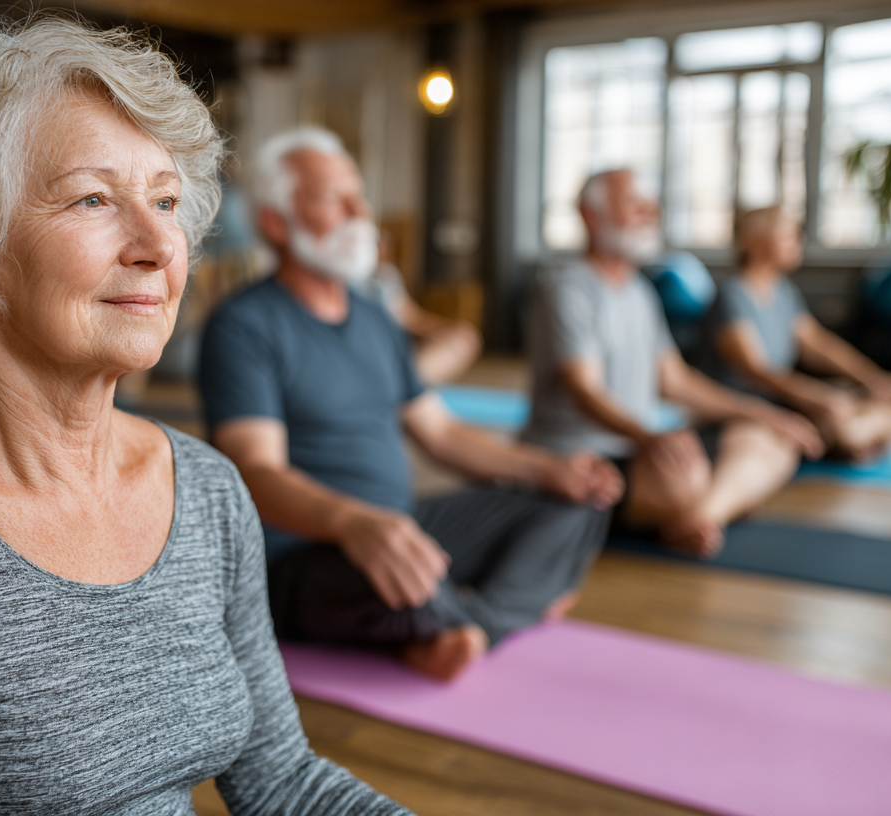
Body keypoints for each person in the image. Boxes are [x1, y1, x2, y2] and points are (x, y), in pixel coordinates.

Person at [0, 19, 408, 816]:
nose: (156, 245)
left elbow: (281, 782)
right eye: (94, 198)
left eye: (165, 200)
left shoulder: (205, 490)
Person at [199, 127, 622, 682]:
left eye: (359, 196)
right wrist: (353, 522)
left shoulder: (376, 317)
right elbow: (255, 471)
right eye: (334, 198)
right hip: (303, 550)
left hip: (400, 524)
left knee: (577, 502)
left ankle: (466, 623)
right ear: (277, 223)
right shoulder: (243, 325)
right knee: (397, 575)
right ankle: (485, 608)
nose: (359, 212)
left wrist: (549, 469)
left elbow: (441, 434)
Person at [520, 170, 824, 558]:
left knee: (774, 438)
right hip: (580, 456)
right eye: (636, 206)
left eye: (653, 207)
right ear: (591, 216)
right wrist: (650, 438)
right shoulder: (567, 288)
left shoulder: (640, 293)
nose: (650, 215)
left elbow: (676, 381)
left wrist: (762, 412)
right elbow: (585, 391)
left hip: (640, 447)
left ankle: (701, 516)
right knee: (688, 477)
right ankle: (722, 500)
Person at [701, 207, 891, 459]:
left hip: (782, 400)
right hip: (745, 409)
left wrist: (876, 380)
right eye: (788, 235)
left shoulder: (783, 292)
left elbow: (819, 346)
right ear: (754, 243)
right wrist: (815, 397)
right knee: (841, 417)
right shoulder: (732, 295)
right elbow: (756, 370)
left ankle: (851, 437)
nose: (798, 242)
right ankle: (851, 438)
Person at [359, 234, 482, 385]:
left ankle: (400, 386)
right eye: (377, 244)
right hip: (368, 353)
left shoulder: (387, 276)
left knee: (464, 338)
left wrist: (447, 331)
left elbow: (412, 318)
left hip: (397, 352)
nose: (384, 249)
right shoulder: (347, 280)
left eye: (386, 244)